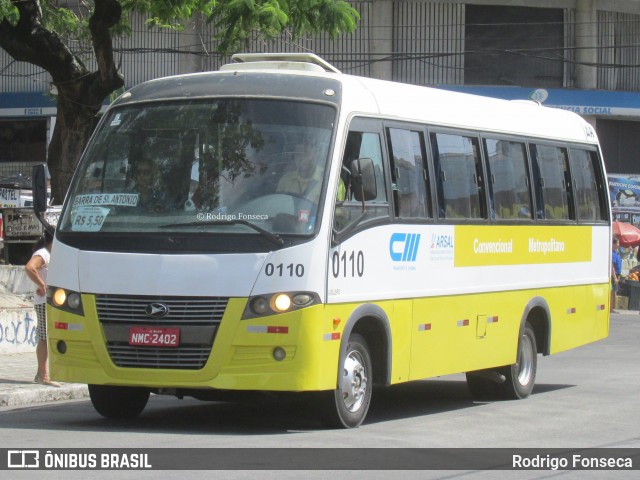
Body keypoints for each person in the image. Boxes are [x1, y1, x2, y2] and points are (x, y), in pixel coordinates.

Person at [24, 230, 60, 387]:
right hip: (44, 302)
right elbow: (29, 268)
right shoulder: (43, 253)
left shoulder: (48, 254)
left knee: (47, 336)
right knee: (44, 337)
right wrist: (42, 285)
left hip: (49, 301)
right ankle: (43, 374)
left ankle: (43, 373)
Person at [611, 236, 622, 313]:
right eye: (618, 243)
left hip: (617, 274)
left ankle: (612, 307)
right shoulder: (612, 253)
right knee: (612, 292)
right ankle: (611, 308)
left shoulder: (616, 252)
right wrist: (614, 277)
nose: (619, 244)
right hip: (613, 275)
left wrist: (618, 276)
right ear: (613, 244)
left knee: (615, 291)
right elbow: (612, 266)